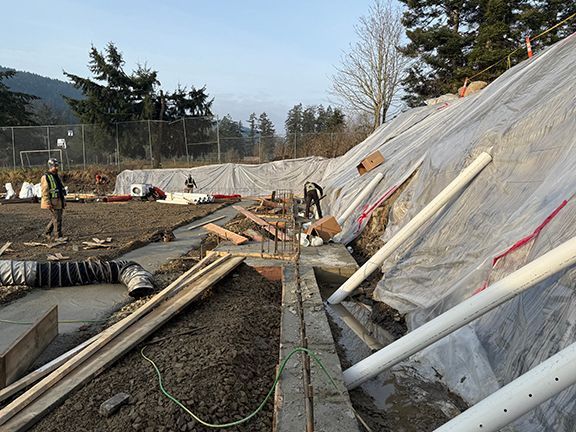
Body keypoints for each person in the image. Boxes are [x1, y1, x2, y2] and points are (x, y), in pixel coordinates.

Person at [41, 158, 66, 240]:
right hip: (52, 202)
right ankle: (58, 236)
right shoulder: (46, 177)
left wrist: (64, 201)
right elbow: (45, 191)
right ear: (51, 166)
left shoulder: (56, 176)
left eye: (57, 166)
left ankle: (46, 233)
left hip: (59, 201)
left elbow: (60, 189)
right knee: (57, 219)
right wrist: (47, 203)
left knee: (56, 218)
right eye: (55, 166)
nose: (57, 168)